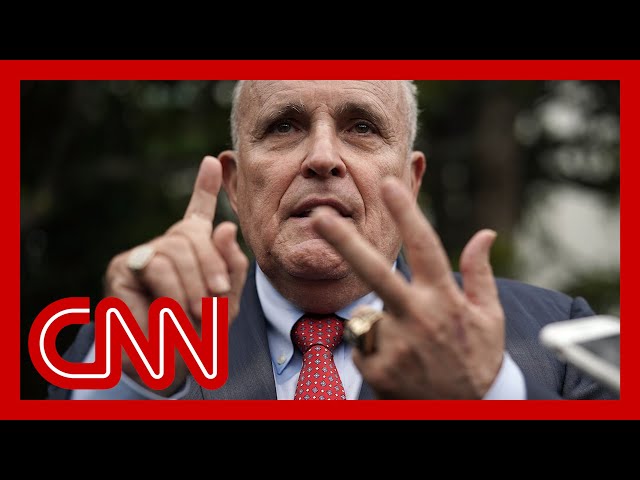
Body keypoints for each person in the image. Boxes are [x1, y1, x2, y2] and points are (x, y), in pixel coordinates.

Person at [48, 80, 615, 401]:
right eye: (284, 126)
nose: (322, 157)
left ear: (411, 180)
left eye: (362, 127)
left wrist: (490, 395)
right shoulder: (124, 348)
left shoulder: (558, 343)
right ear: (236, 185)